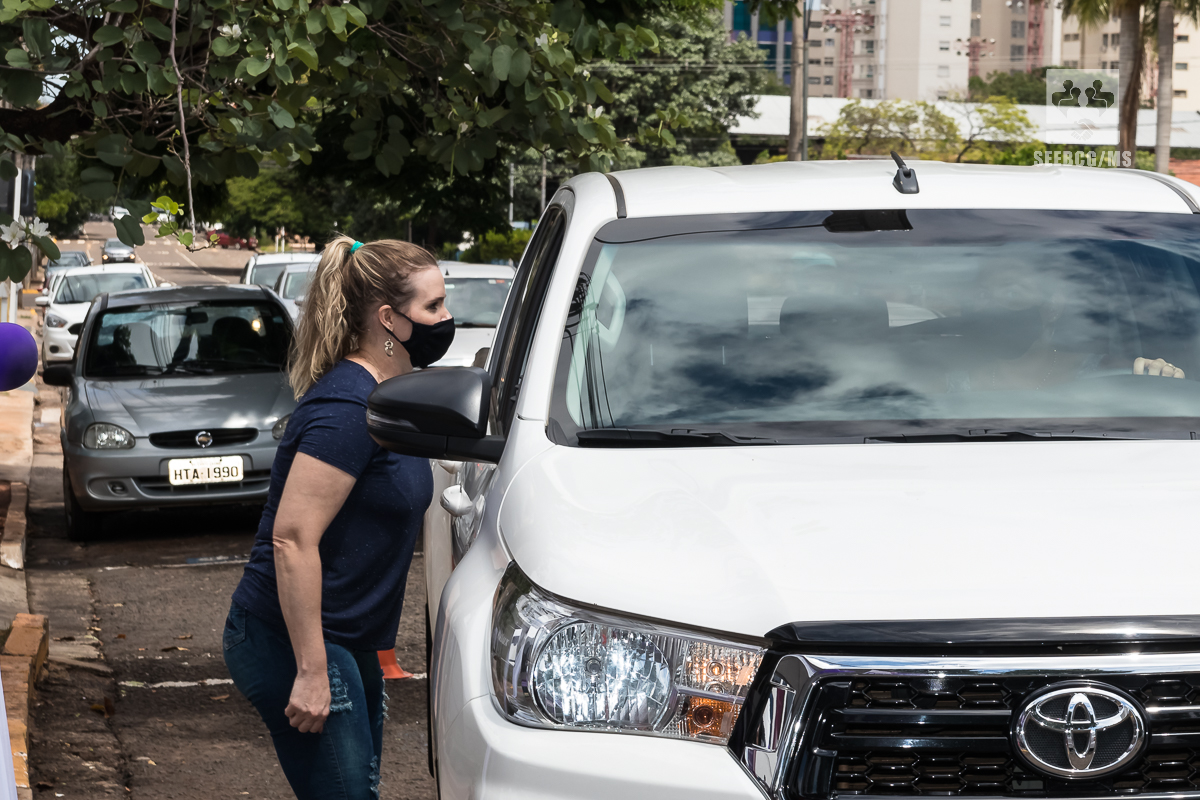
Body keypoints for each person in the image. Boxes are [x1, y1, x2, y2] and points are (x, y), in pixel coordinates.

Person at [223, 236, 455, 799]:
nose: (446, 319)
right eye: (433, 306)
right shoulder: (349, 408)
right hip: (292, 638)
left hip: (345, 637)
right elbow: (292, 539)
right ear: (389, 319)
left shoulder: (388, 396)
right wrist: (310, 670)